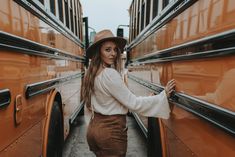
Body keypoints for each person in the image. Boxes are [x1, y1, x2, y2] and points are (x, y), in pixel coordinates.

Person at [81, 29, 176, 157]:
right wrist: (163, 95)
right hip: (111, 132)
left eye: (115, 49)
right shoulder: (110, 74)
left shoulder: (91, 73)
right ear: (99, 52)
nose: (113, 53)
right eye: (107, 50)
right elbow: (134, 103)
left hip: (94, 130)